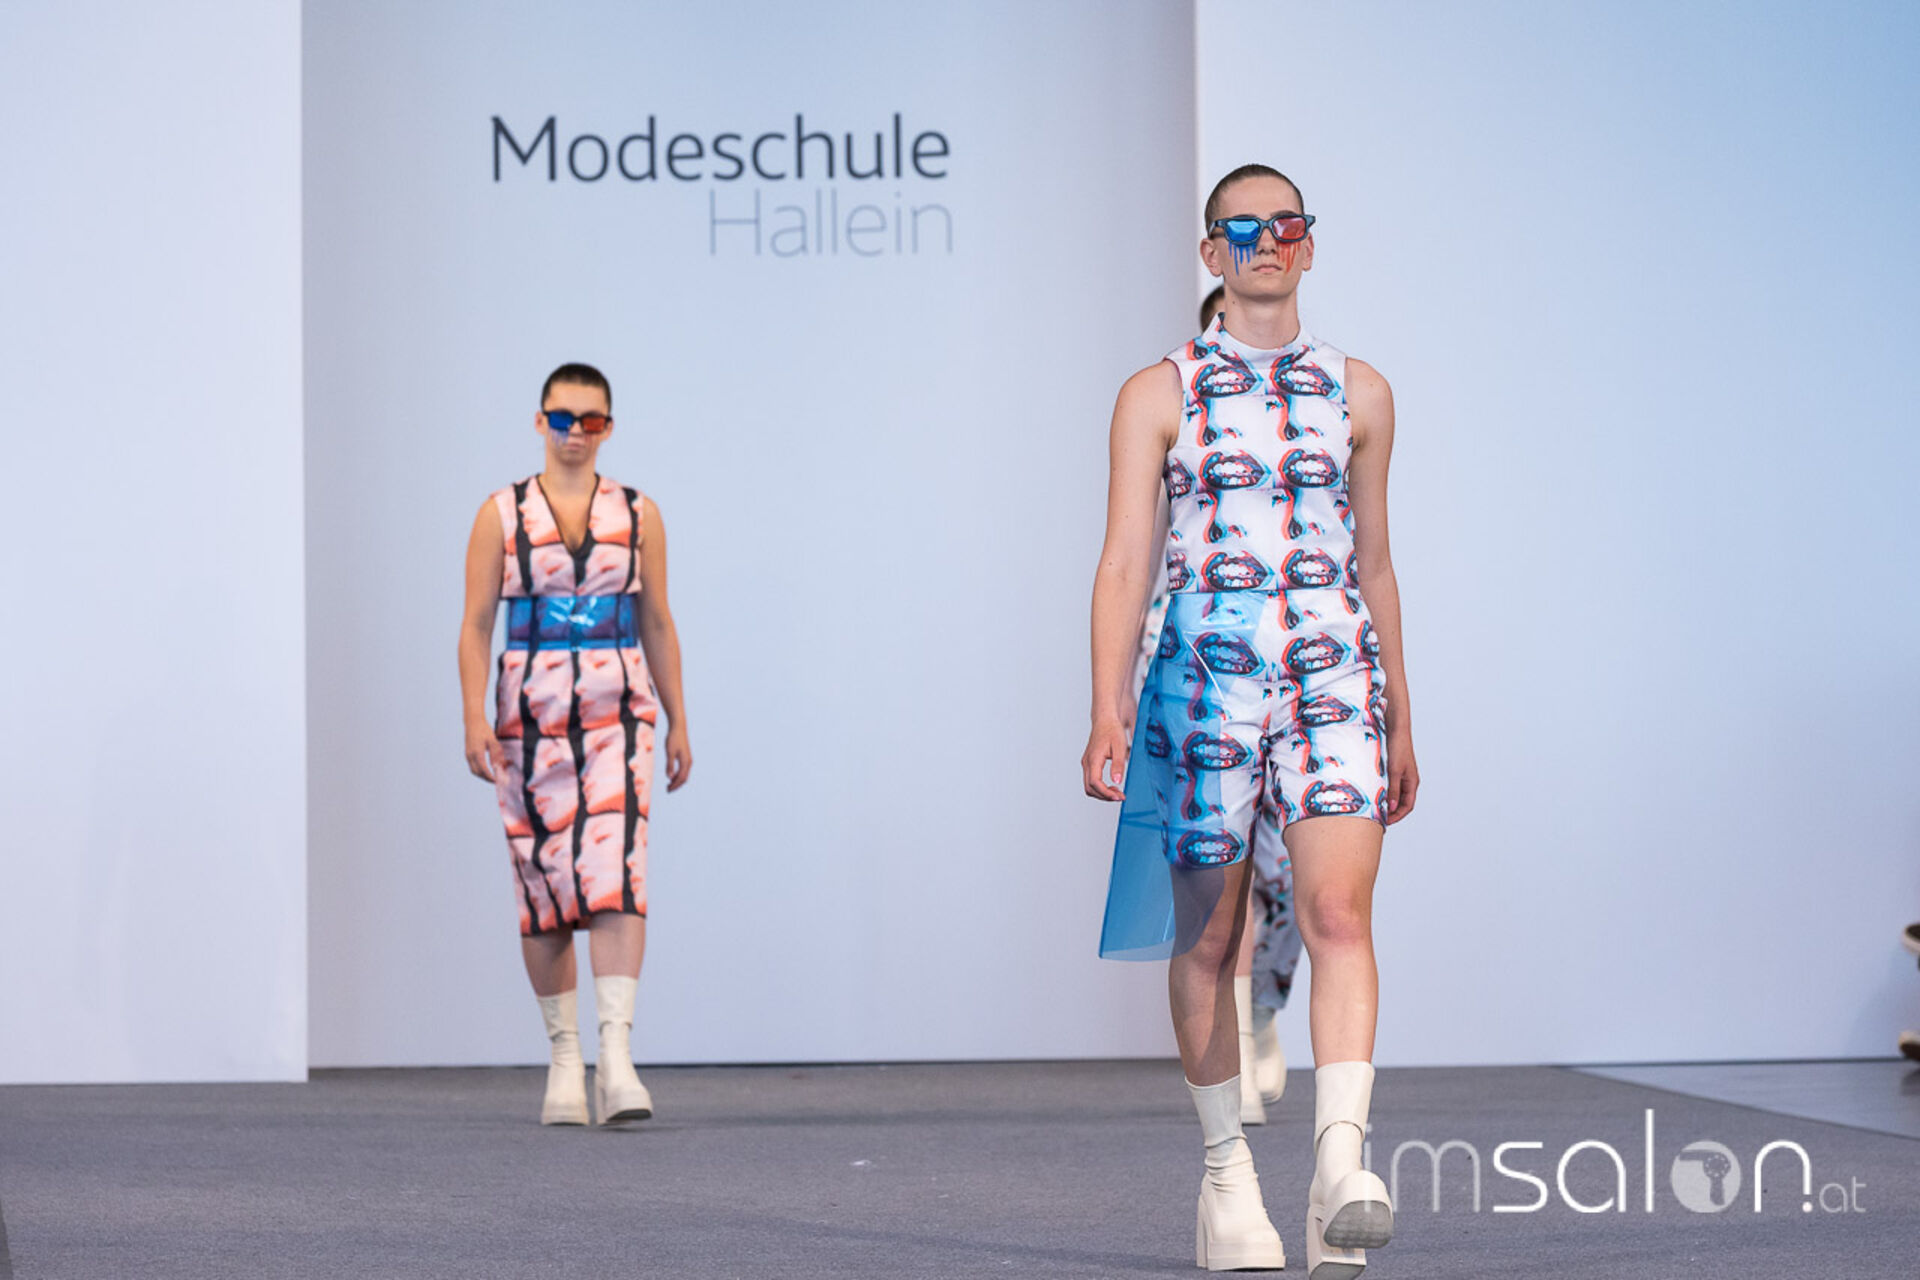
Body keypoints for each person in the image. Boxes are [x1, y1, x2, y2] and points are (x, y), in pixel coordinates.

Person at [1085, 165, 1420, 1274]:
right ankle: (1227, 1178)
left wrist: (1401, 715)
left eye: (1284, 225)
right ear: (1210, 251)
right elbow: (1125, 559)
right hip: (1201, 676)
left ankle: (1339, 1165)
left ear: (1308, 245)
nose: (1265, 241)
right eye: (1242, 227)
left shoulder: (1361, 392)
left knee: (1337, 912)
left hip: (1335, 672)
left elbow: (1376, 561)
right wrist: (1107, 704)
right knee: (1211, 937)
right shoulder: (1157, 392)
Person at [458, 362, 693, 1127]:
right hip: (528, 717)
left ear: (608, 429)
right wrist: (472, 716)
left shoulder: (639, 514)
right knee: (544, 885)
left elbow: (657, 619)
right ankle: (565, 1061)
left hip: (618, 711)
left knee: (618, 870)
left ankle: (616, 1059)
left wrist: (678, 717)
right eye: (563, 418)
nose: (575, 433)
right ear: (540, 421)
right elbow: (476, 623)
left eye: (591, 421)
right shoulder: (501, 514)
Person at [1136, 282, 1295, 1129]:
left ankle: (1264, 1011)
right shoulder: (1177, 412)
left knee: (1288, 878)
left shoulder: (1299, 424)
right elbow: (1133, 559)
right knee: (1217, 883)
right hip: (1193, 664)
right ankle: (1233, 1062)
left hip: (1296, 673)